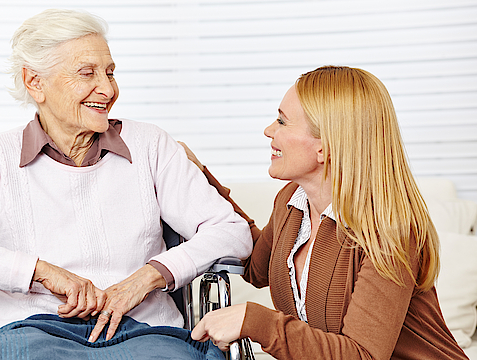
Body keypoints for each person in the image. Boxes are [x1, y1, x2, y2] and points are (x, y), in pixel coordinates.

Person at [0, 8, 252, 356]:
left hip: (145, 333)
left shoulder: (151, 145)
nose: (108, 89)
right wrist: (38, 271)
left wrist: (147, 278)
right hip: (30, 330)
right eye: (87, 73)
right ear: (34, 82)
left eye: (110, 72)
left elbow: (231, 232)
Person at [187, 66, 469, 359]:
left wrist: (258, 322)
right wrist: (197, 180)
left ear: (325, 148)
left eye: (283, 121)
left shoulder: (386, 232)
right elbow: (257, 267)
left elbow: (362, 356)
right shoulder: (292, 203)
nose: (269, 130)